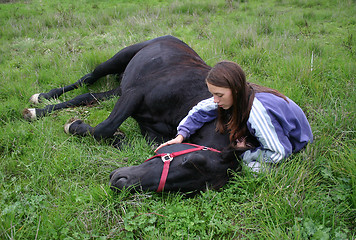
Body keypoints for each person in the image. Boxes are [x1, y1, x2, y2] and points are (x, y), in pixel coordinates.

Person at [156, 61, 313, 172]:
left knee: (249, 168)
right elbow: (200, 110)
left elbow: (278, 153)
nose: (215, 100)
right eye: (213, 94)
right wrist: (181, 134)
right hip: (274, 128)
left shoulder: (257, 113)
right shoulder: (241, 94)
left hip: (297, 140)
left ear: (235, 89)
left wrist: (243, 155)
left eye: (219, 95)